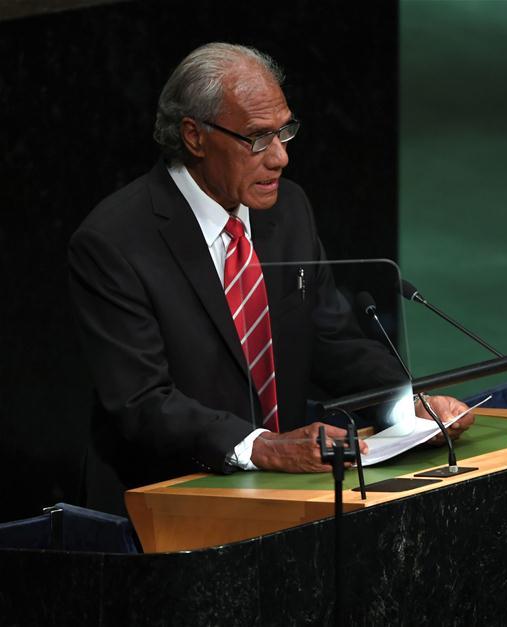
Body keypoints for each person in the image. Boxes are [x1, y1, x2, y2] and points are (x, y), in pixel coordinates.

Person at [68, 42, 473, 515]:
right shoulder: (114, 241)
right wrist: (263, 447)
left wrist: (407, 405)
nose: (280, 158)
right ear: (194, 136)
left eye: (284, 132)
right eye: (258, 138)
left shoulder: (288, 210)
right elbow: (142, 402)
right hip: (165, 507)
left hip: (282, 499)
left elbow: (330, 341)